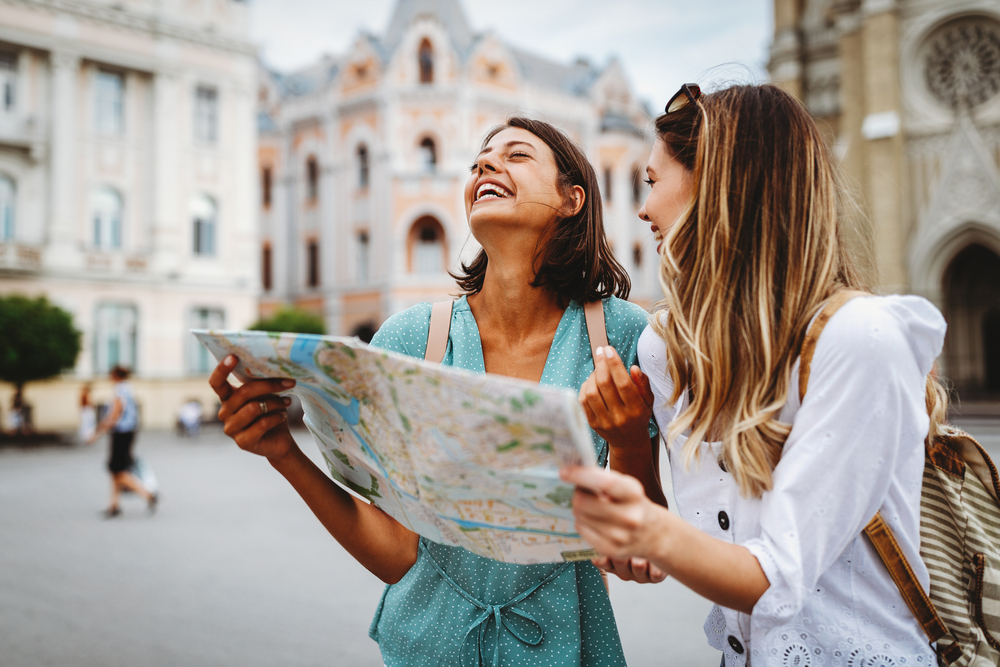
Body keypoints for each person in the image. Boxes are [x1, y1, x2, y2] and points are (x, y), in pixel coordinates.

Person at [209, 117, 656, 666]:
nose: (485, 166)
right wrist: (284, 452)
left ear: (572, 198)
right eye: (479, 162)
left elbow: (640, 546)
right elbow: (397, 554)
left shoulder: (622, 335)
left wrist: (632, 440)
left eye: (516, 156)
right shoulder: (409, 337)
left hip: (566, 650)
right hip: (425, 649)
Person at [562, 83, 948, 666]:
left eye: (652, 181)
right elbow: (675, 550)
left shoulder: (858, 338)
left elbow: (776, 576)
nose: (642, 209)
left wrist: (644, 529)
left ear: (717, 185)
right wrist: (625, 447)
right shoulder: (667, 348)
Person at [89, 365, 157, 517]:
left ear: (115, 375)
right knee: (115, 470)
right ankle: (114, 505)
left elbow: (114, 415)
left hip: (121, 434)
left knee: (117, 469)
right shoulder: (129, 388)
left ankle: (148, 494)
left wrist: (98, 432)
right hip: (128, 432)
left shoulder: (119, 390)